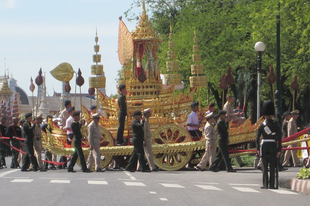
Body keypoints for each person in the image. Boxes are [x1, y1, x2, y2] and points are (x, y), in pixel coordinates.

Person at [256, 100, 282, 189]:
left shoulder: (262, 125)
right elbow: (279, 137)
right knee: (272, 165)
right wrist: (279, 149)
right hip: (273, 145)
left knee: (265, 165)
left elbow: (257, 137)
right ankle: (272, 184)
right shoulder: (275, 124)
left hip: (264, 145)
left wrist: (257, 148)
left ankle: (265, 184)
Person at [58, 101, 72, 168]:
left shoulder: (70, 112)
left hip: (69, 131)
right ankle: (63, 163)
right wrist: (64, 128)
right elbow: (62, 122)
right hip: (65, 132)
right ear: (68, 105)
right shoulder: (64, 112)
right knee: (64, 149)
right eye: (70, 105)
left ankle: (62, 163)